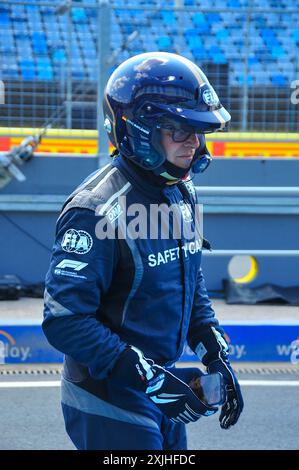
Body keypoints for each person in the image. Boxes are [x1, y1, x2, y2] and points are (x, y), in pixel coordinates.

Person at [42, 52, 243, 450]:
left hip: (162, 389)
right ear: (140, 130)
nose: (195, 143)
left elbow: (189, 280)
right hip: (108, 398)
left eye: (197, 131)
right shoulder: (95, 209)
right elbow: (64, 319)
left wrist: (214, 351)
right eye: (180, 130)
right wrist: (147, 376)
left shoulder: (180, 191)